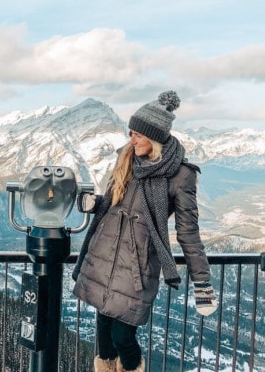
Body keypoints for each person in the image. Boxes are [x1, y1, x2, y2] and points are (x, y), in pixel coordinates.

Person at [72, 91, 217, 372]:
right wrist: (92, 204)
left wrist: (202, 282)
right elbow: (112, 204)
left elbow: (188, 231)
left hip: (136, 264)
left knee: (122, 336)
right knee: (103, 331)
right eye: (131, 132)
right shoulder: (126, 159)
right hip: (104, 254)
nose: (132, 139)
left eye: (138, 134)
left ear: (156, 137)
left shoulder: (180, 175)